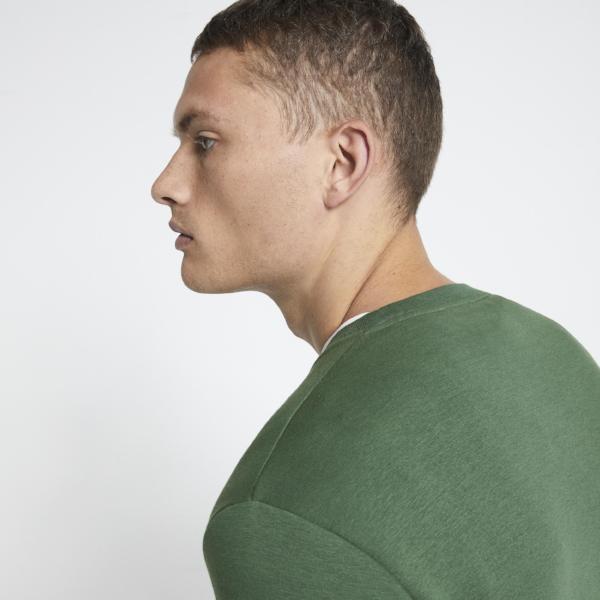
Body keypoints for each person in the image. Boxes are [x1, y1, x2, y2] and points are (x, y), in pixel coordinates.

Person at [150, 1, 600, 598]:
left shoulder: (279, 516)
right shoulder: (556, 358)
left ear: (343, 163)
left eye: (205, 142)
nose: (165, 184)